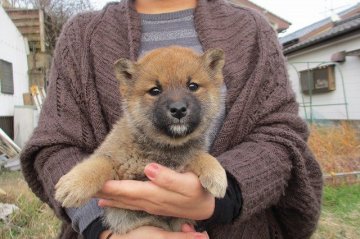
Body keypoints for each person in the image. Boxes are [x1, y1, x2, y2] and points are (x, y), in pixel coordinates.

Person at [20, 0, 323, 239]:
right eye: (155, 91)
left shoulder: (253, 28)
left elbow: (282, 136)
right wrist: (102, 227)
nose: (178, 104)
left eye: (193, 87)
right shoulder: (81, 36)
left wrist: (228, 194)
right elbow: (53, 147)